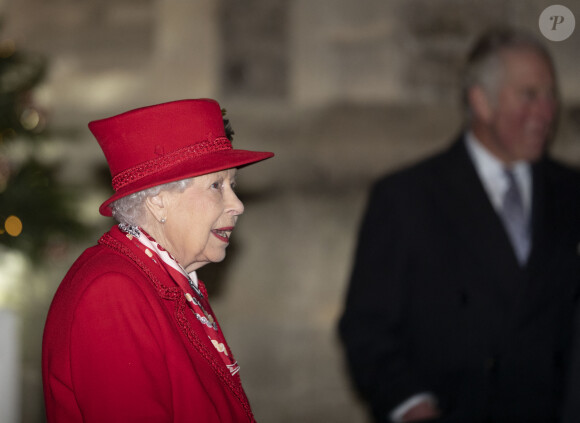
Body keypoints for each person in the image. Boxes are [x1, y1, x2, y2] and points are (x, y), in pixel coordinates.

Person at [339, 27, 580, 423]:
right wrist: (410, 403)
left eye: (551, 94)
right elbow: (368, 328)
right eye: (529, 95)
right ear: (481, 102)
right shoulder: (407, 198)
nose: (546, 111)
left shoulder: (572, 193)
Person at [42, 99, 274, 422]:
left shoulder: (161, 277)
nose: (237, 204)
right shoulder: (110, 295)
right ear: (158, 201)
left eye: (232, 185)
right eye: (217, 186)